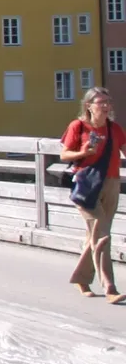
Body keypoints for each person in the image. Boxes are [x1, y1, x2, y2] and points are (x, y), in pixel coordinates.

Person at [59, 86, 126, 303]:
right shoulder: (78, 126)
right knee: (103, 234)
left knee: (96, 235)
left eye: (108, 102)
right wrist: (84, 153)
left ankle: (81, 278)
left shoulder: (114, 128)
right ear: (89, 105)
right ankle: (110, 287)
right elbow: (64, 155)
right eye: (101, 102)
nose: (106, 106)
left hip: (112, 184)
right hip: (86, 186)